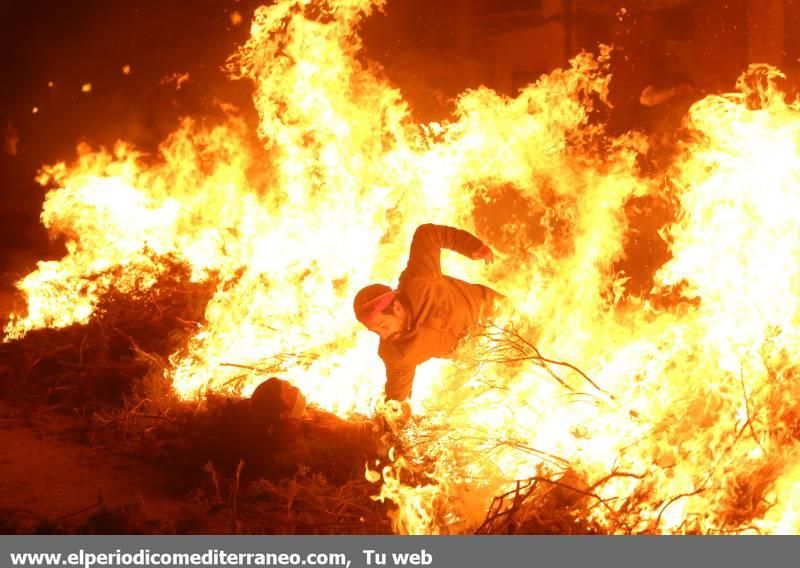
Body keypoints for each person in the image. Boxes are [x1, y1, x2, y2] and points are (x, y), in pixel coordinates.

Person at [353, 223, 500, 402]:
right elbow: (396, 395)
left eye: (382, 326)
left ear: (397, 308)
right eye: (375, 332)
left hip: (497, 312)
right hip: (486, 355)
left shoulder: (420, 280)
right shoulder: (397, 353)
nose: (383, 336)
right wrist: (392, 419)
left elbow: (428, 234)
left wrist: (471, 246)